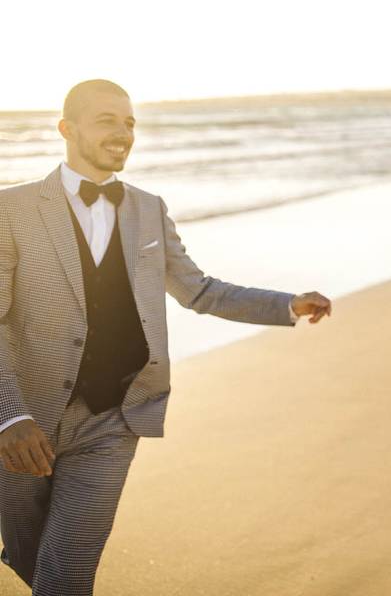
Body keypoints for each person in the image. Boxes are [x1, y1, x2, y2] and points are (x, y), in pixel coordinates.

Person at [0, 79, 332, 595]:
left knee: (66, 574)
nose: (123, 133)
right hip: (25, 421)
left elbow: (198, 291)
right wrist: (9, 415)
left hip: (115, 417)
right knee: (29, 558)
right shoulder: (12, 209)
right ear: (66, 129)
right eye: (108, 120)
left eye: (130, 122)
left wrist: (284, 304)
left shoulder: (148, 208)